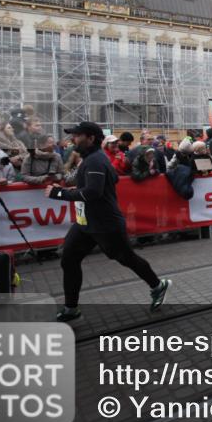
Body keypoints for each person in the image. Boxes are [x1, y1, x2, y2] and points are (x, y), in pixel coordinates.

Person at [45, 122, 170, 322]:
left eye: (77, 135)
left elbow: (93, 192)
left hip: (105, 223)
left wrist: (59, 193)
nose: (72, 139)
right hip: (85, 222)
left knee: (126, 258)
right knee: (69, 259)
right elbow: (110, 179)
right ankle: (71, 309)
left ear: (91, 138)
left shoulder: (95, 160)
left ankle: (158, 285)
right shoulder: (91, 159)